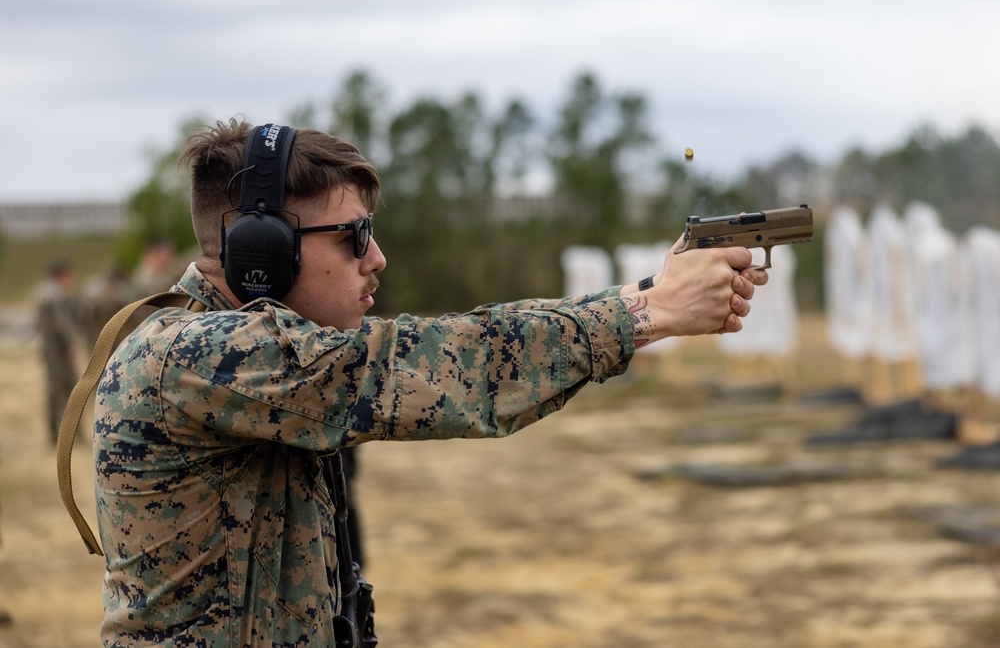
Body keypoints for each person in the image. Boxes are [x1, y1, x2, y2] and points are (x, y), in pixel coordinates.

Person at [90, 118, 766, 646]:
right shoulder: (196, 357)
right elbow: (447, 362)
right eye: (353, 236)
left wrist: (654, 291)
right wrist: (648, 311)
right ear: (263, 251)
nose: (376, 257)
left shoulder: (244, 354)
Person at [34, 258, 82, 446]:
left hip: (48, 348)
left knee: (53, 391)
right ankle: (67, 435)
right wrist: (71, 347)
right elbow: (63, 326)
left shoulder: (41, 291)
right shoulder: (56, 295)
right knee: (69, 390)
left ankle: (54, 433)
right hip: (58, 350)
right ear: (62, 275)